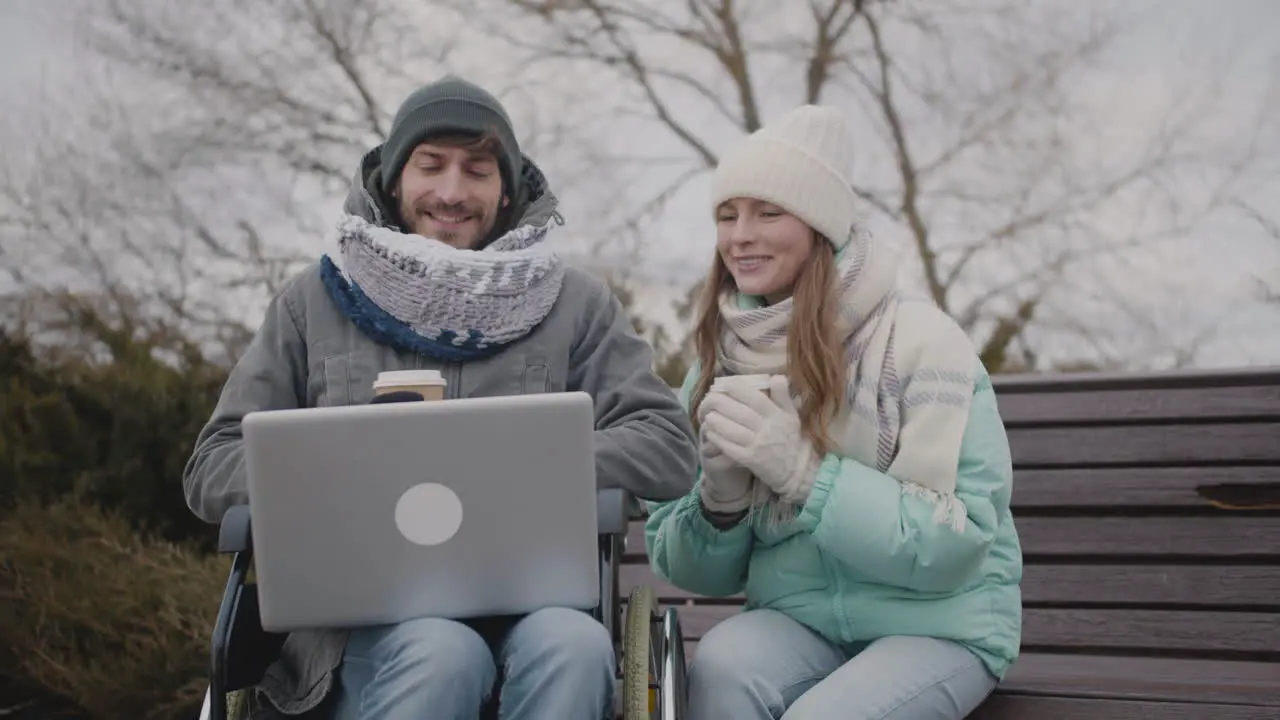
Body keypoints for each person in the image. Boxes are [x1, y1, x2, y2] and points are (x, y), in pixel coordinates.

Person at [183, 75, 699, 719]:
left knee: (575, 645)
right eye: (431, 167)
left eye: (477, 171)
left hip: (534, 609)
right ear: (395, 178)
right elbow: (211, 469)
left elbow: (669, 447)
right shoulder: (311, 303)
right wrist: (327, 465)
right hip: (352, 632)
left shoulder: (577, 306)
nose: (452, 192)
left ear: (505, 189)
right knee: (444, 650)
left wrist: (534, 459)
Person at [644, 104, 1023, 720]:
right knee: (722, 664)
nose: (741, 234)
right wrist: (720, 502)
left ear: (820, 226)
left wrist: (804, 476)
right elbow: (699, 575)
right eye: (726, 214)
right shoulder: (718, 365)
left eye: (768, 212)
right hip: (801, 621)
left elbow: (959, 541)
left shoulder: (923, 342)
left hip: (937, 624)